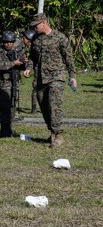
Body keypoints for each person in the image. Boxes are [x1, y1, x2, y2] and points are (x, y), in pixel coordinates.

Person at [24, 13, 77, 148]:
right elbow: (32, 57)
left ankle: (58, 134)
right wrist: (28, 68)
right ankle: (52, 131)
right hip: (40, 78)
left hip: (56, 77)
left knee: (54, 106)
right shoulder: (36, 38)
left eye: (36, 25)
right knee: (44, 106)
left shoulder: (60, 38)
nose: (34, 28)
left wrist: (73, 76)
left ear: (44, 23)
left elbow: (68, 58)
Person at [0, 31, 25, 137]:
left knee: (12, 105)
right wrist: (13, 63)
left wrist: (23, 63)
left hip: (14, 82)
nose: (8, 44)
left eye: (10, 42)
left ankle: (9, 128)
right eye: (6, 42)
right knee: (4, 107)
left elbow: (20, 65)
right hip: (4, 83)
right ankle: (4, 131)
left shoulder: (15, 52)